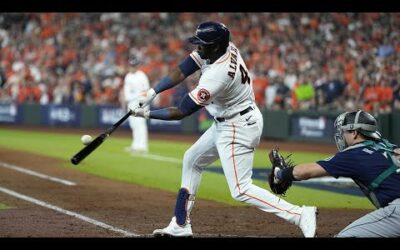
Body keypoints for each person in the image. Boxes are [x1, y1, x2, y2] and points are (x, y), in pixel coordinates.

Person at [131, 21, 317, 237]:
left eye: (203, 45)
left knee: (240, 189)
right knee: (192, 159)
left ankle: (299, 214)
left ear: (216, 46)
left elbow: (182, 111)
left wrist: (145, 113)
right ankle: (180, 225)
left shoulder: (217, 75)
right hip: (228, 121)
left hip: (238, 125)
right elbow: (183, 69)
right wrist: (151, 93)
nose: (198, 48)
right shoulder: (221, 48)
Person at [273, 110, 400, 237]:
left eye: (344, 131)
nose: (341, 135)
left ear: (355, 133)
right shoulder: (388, 145)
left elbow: (304, 172)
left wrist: (279, 174)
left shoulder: (353, 154)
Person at [122, 56, 150, 154]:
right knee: (133, 125)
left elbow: (146, 92)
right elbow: (126, 93)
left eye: (133, 65)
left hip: (140, 103)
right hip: (131, 103)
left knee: (140, 124)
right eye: (131, 65)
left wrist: (142, 103)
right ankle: (136, 145)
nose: (132, 67)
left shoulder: (141, 76)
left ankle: (143, 146)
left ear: (137, 66)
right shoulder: (128, 76)